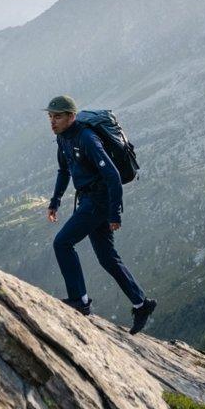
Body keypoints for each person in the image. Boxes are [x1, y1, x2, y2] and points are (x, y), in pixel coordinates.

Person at [42, 95, 155, 332]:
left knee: (62, 243)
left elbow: (112, 176)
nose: (52, 121)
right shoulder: (63, 139)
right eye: (50, 117)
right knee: (107, 257)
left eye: (58, 116)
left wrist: (115, 214)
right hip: (87, 199)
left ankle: (80, 300)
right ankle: (141, 303)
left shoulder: (87, 138)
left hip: (98, 201)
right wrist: (55, 201)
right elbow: (63, 171)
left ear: (71, 116)